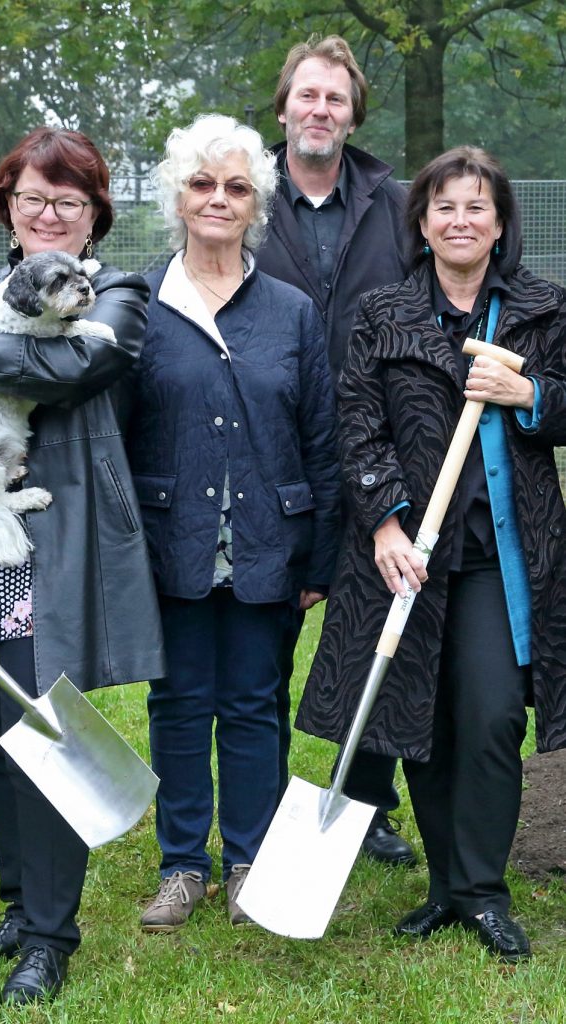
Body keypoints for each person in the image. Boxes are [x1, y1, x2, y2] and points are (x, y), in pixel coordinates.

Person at [0, 126, 164, 1006]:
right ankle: (18, 906)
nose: (48, 216)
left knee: (40, 735)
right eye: (31, 199)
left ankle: (51, 937)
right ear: (8, 208)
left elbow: (80, 359)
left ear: (95, 219)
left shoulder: (115, 293)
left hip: (57, 551)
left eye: (69, 202)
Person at [297, 146, 566, 963]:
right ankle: (446, 888)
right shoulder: (383, 313)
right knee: (423, 717)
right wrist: (383, 522)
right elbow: (357, 422)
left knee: (488, 715)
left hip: (499, 555)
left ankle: (484, 892)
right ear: (422, 222)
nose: (460, 220)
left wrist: (533, 397)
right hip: (409, 554)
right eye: (444, 206)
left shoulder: (542, 310)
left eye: (476, 207)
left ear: (499, 224)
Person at [126, 113, 339, 932]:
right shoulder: (138, 303)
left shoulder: (290, 311)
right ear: (178, 197)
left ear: (258, 206)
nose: (219, 199)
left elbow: (319, 434)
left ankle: (250, 859)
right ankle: (183, 865)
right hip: (168, 542)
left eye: (237, 187)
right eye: (203, 184)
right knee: (177, 703)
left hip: (266, 545)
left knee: (255, 702)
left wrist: (317, 555)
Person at [257, 34, 415, 867]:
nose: (320, 111)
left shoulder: (397, 204)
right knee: (266, 643)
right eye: (307, 96)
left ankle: (368, 800)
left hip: (377, 447)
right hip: (271, 452)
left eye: (337, 100)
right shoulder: (241, 194)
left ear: (353, 118)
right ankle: (261, 808)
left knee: (376, 638)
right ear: (283, 106)